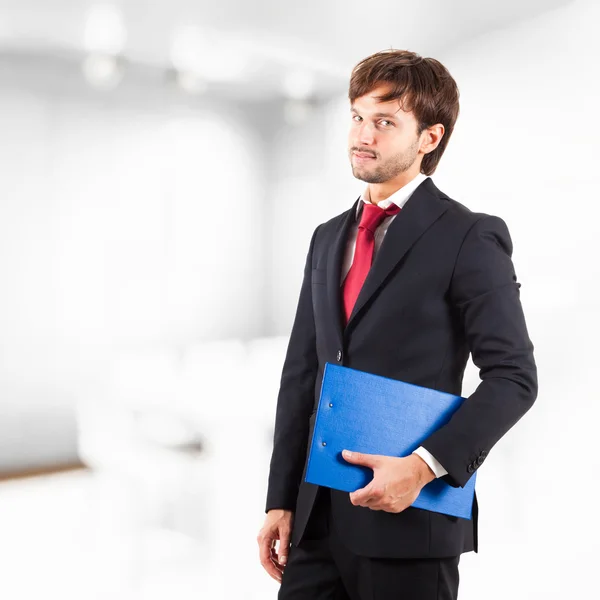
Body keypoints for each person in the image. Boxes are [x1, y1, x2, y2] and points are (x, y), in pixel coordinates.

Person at [257, 49, 538, 600]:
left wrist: (424, 467)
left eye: (385, 121)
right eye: (358, 117)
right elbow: (302, 373)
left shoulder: (470, 236)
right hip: (315, 519)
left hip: (410, 521)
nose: (363, 134)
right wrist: (280, 498)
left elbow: (514, 377)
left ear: (429, 138)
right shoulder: (326, 236)